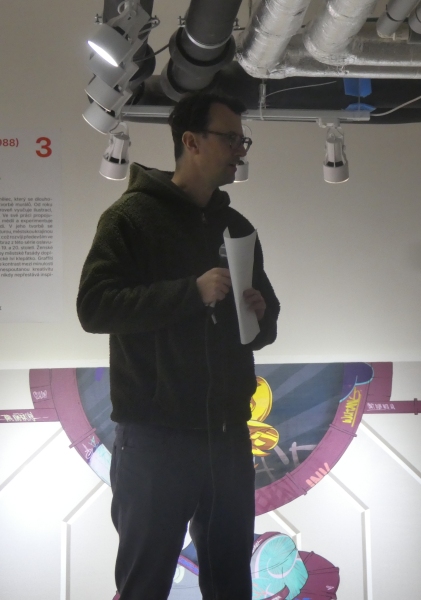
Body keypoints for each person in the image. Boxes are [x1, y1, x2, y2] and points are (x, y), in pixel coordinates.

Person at [77, 92, 280, 600]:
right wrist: (189, 293)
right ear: (191, 142)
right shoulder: (129, 218)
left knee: (231, 584)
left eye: (243, 140)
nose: (239, 150)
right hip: (155, 438)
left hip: (227, 435)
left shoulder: (237, 227)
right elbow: (94, 307)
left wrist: (262, 313)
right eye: (229, 138)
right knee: (145, 584)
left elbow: (266, 321)